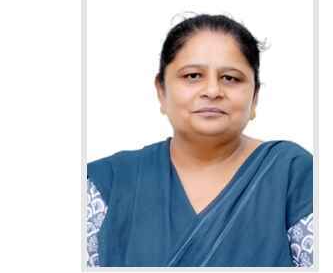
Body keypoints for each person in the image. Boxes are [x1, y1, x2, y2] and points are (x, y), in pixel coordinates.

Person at [86, 14, 313, 267]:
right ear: (161, 91)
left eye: (230, 78)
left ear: (255, 97)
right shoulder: (105, 184)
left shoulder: (294, 175)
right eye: (193, 76)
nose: (213, 91)